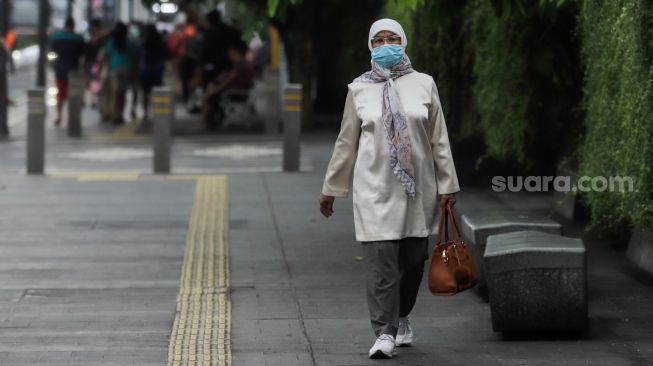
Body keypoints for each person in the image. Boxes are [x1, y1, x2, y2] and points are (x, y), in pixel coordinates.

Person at [318, 18, 460, 359]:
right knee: (381, 265)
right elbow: (346, 142)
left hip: (417, 191)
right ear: (370, 46)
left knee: (412, 262)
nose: (385, 45)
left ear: (404, 42)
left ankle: (401, 315)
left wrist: (448, 185)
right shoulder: (358, 90)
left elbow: (438, 138)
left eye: (392, 38)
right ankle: (384, 332)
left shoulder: (424, 84)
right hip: (373, 189)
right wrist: (331, 187)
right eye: (378, 40)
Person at [202, 41, 254, 129]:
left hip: (237, 92)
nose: (229, 55)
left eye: (231, 53)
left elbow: (229, 79)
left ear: (235, 52)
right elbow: (226, 77)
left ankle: (212, 120)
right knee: (213, 93)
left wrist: (216, 89)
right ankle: (214, 118)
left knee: (213, 96)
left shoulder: (239, 64)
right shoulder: (242, 63)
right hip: (239, 91)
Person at [49, 18, 86, 126]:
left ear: (65, 25)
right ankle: (72, 118)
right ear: (73, 26)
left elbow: (51, 53)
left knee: (60, 94)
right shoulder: (79, 38)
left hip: (59, 70)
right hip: (74, 71)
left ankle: (59, 116)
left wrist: (53, 64)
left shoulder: (56, 37)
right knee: (73, 95)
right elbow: (83, 55)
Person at [102, 22, 137, 124]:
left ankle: (115, 114)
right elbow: (134, 55)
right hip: (127, 68)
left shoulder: (112, 42)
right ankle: (120, 114)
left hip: (114, 69)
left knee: (115, 93)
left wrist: (106, 69)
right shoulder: (129, 42)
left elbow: (107, 56)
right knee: (123, 93)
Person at [138, 24, 170, 122]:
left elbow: (138, 54)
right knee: (158, 92)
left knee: (145, 92)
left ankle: (145, 113)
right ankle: (158, 111)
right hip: (157, 69)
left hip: (145, 69)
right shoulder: (160, 42)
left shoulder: (143, 42)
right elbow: (167, 55)